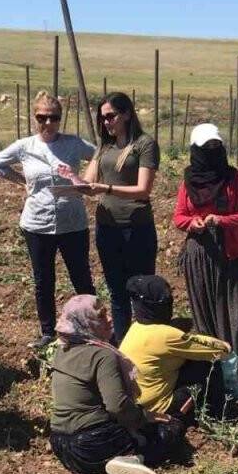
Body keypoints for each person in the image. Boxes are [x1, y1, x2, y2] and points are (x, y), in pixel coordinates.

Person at [0, 92, 97, 349]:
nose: (48, 123)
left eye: (54, 118)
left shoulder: (73, 144)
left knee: (81, 277)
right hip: (37, 224)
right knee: (43, 280)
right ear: (34, 117)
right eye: (42, 117)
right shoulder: (25, 146)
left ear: (60, 119)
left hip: (73, 222)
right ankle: (48, 331)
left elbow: (99, 155)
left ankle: (93, 327)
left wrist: (82, 179)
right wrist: (21, 183)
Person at [47, 295, 184, 474]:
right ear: (86, 322)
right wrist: (144, 418)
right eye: (101, 316)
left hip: (61, 445)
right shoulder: (101, 356)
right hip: (92, 443)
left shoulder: (62, 351)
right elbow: (117, 406)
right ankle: (128, 457)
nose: (110, 319)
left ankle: (112, 461)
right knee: (171, 429)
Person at [172, 123, 238, 400]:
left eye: (216, 147)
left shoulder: (233, 178)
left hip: (230, 253)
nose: (212, 153)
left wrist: (223, 221)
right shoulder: (188, 181)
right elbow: (178, 217)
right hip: (199, 254)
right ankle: (217, 371)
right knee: (205, 312)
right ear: (195, 151)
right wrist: (194, 222)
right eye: (206, 148)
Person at [68, 92, 159, 342]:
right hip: (108, 228)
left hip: (136, 227)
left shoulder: (144, 144)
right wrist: (72, 179)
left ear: (127, 114)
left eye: (110, 116)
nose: (106, 122)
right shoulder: (104, 147)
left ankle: (145, 343)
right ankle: (122, 344)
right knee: (117, 291)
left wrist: (106, 188)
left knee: (141, 290)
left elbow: (143, 190)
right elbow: (87, 183)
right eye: (103, 118)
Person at [118, 275, 233, 425]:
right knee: (209, 364)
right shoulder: (167, 336)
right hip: (160, 409)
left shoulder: (136, 327)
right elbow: (223, 349)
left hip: (137, 405)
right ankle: (217, 416)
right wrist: (193, 337)